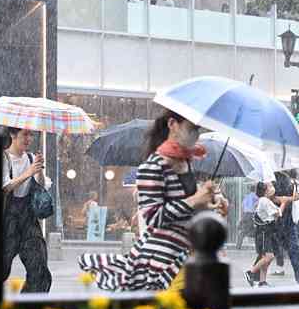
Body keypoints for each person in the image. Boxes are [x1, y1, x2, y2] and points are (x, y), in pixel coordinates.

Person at [78, 110, 218, 291]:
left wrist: (210, 206)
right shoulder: (152, 166)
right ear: (172, 124)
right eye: (191, 128)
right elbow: (154, 217)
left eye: (197, 129)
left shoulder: (186, 163)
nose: (195, 134)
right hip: (165, 259)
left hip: (192, 254)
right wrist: (195, 199)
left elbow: (188, 213)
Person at [2, 128, 52, 293]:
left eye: (31, 135)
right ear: (13, 135)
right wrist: (28, 172)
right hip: (7, 220)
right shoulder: (4, 158)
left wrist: (39, 172)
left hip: (29, 219)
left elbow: (42, 187)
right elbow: (4, 187)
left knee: (39, 270)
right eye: (25, 134)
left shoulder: (31, 158)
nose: (29, 139)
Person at [271, 170, 299, 285]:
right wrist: (290, 198)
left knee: (292, 250)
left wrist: (293, 193)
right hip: (279, 220)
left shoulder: (288, 182)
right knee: (270, 252)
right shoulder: (275, 180)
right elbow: (272, 198)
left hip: (284, 221)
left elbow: (295, 198)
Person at [244, 182, 281, 287]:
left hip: (266, 232)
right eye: (270, 186)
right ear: (265, 190)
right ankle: (250, 272)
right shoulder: (264, 201)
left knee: (266, 257)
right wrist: (284, 202)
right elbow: (277, 213)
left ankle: (262, 281)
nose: (272, 188)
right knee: (268, 257)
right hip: (264, 232)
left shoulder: (265, 200)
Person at [236, 185, 258, 249]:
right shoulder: (256, 197)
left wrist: (242, 217)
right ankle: (258, 246)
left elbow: (242, 207)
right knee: (250, 231)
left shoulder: (246, 196)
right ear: (256, 190)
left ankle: (238, 245)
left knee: (247, 230)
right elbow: (257, 206)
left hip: (245, 214)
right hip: (252, 215)